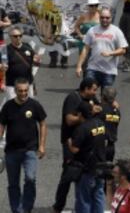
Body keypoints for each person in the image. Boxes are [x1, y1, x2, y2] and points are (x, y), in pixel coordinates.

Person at [52, 77, 101, 213]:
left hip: (85, 141)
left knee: (88, 172)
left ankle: (85, 204)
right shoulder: (72, 98)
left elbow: (99, 107)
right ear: (85, 89)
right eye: (93, 90)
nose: (95, 93)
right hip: (70, 141)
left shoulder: (91, 99)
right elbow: (69, 120)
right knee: (69, 173)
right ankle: (58, 206)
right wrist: (83, 118)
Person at [0, 78, 47, 213]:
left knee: (30, 179)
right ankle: (16, 209)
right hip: (12, 152)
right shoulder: (8, 106)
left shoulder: (34, 105)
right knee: (13, 184)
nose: (23, 93)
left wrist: (42, 145)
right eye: (20, 91)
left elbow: (43, 123)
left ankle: (26, 208)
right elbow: (2, 124)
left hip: (30, 150)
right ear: (15, 91)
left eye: (26, 90)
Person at [68, 100, 107, 213]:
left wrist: (69, 142)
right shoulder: (100, 123)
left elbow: (75, 149)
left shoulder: (82, 128)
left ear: (80, 114)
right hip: (100, 166)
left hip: (86, 168)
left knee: (84, 198)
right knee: (98, 196)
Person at [76, 7, 128, 88]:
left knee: (106, 97)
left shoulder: (116, 31)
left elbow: (123, 50)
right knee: (88, 93)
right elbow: (85, 49)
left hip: (109, 71)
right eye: (102, 17)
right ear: (99, 17)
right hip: (93, 68)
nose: (104, 20)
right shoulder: (92, 30)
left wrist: (110, 53)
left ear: (111, 18)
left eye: (107, 18)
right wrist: (79, 66)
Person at [1, 26, 38, 101]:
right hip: (12, 84)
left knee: (29, 105)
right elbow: (2, 64)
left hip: (27, 83)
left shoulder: (28, 46)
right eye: (15, 36)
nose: (18, 38)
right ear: (10, 37)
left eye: (20, 35)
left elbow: (34, 59)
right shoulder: (5, 50)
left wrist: (36, 59)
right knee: (14, 107)